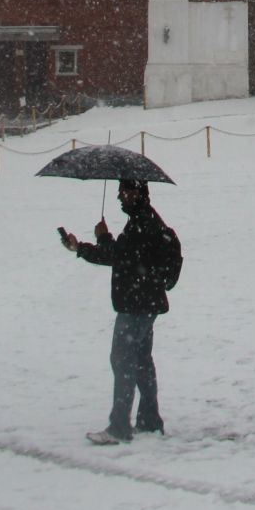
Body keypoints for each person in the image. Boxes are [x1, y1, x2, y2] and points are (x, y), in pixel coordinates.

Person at [62, 179, 180, 445]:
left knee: (123, 360)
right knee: (140, 360)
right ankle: (149, 420)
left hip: (136, 303)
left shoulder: (142, 223)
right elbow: (125, 256)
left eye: (125, 192)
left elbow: (119, 257)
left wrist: (96, 241)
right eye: (119, 192)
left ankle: (119, 427)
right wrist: (90, 244)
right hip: (145, 302)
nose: (120, 197)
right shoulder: (146, 219)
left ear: (139, 192)